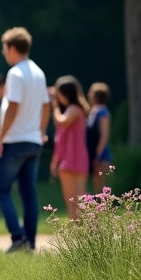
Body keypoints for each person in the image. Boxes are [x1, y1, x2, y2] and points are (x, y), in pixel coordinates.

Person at [0, 27, 50, 253]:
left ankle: (18, 237)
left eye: (5, 48)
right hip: (33, 140)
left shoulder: (15, 73)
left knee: (0, 190)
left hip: (15, 141)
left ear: (13, 48)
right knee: (29, 193)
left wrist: (0, 138)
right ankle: (30, 242)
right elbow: (46, 105)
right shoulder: (38, 71)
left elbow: (13, 106)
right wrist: (41, 130)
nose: (4, 53)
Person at [50, 75, 90, 220]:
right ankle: (80, 229)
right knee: (77, 198)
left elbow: (61, 121)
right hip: (75, 158)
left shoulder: (73, 109)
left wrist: (54, 105)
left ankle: (79, 227)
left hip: (72, 158)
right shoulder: (77, 109)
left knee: (74, 199)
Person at [86, 82, 113, 185]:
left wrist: (98, 154)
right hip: (95, 153)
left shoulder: (102, 111)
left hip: (102, 155)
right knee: (97, 185)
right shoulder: (93, 112)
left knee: (104, 185)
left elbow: (104, 134)